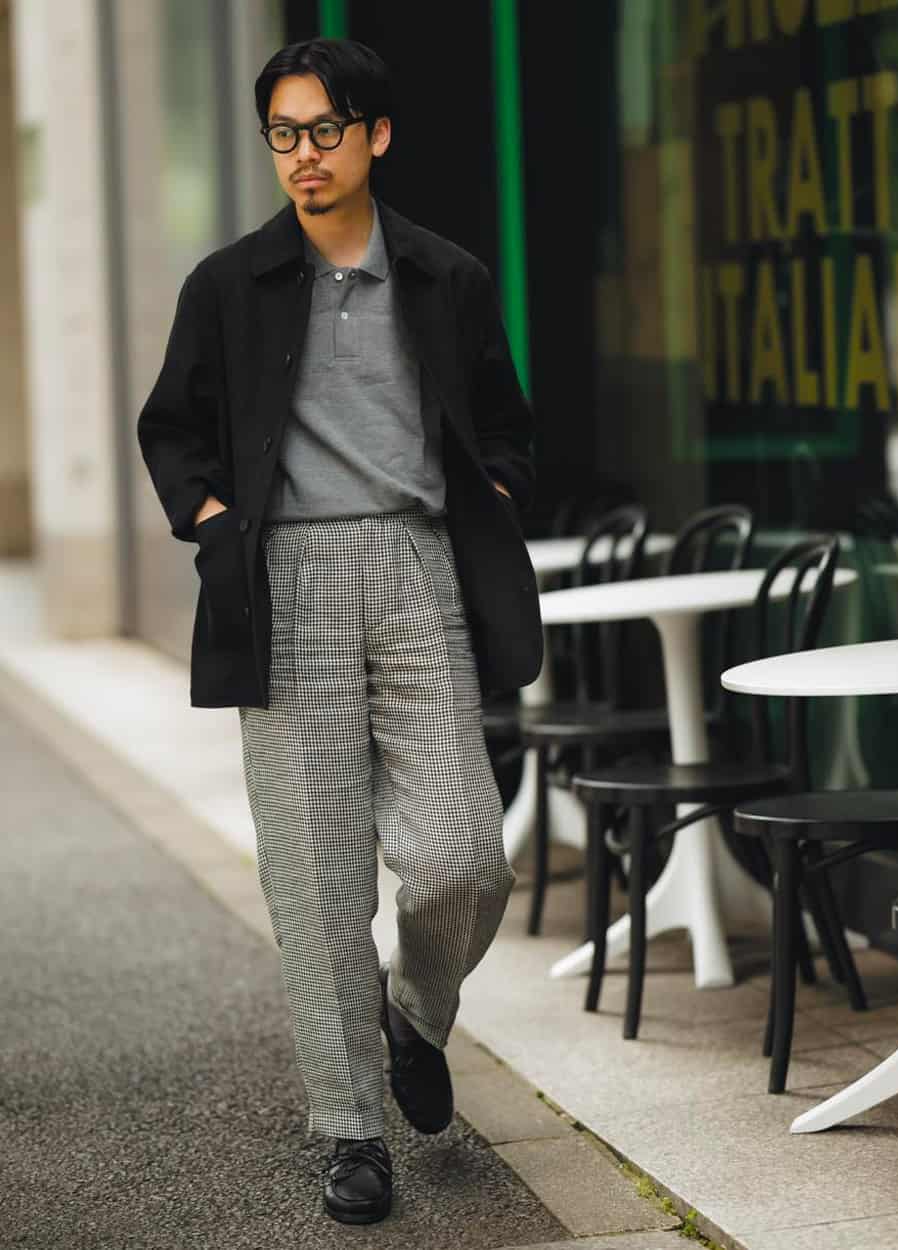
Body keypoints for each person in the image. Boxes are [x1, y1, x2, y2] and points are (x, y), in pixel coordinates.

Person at [136, 37, 542, 1225]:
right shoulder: (227, 284)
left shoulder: (446, 276)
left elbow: (507, 425)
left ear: (376, 135)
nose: (302, 156)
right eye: (283, 134)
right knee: (315, 879)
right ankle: (350, 1130)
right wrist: (217, 528)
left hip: (417, 567)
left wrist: (496, 496)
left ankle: (415, 1012)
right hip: (284, 576)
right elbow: (174, 432)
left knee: (466, 853)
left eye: (324, 130)